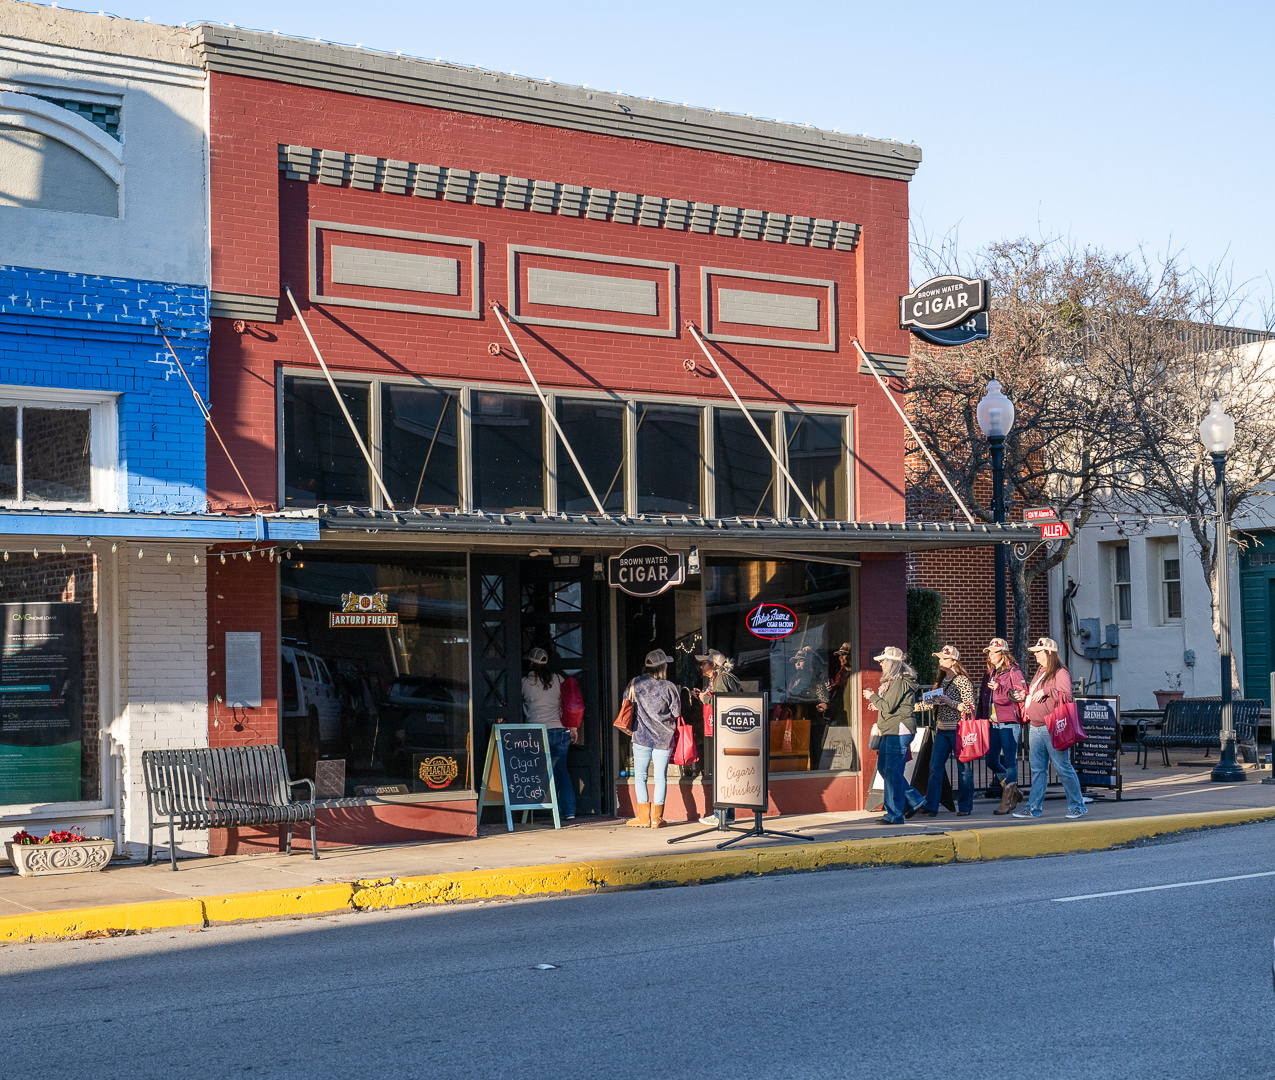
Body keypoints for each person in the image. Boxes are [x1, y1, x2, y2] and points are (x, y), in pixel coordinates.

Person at [1013, 636, 1088, 820]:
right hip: (1036, 726)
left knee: (1062, 767)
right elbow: (1036, 696)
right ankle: (1033, 808)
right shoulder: (1041, 672)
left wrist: (1046, 691)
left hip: (1051, 727)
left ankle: (1078, 806)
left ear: (1048, 652)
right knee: (1038, 770)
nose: (1035, 655)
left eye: (1038, 652)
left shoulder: (1060, 672)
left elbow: (1067, 696)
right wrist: (1025, 697)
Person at [862, 645, 925, 825]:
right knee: (885, 769)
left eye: (883, 661)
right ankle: (913, 799)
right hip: (890, 729)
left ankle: (895, 814)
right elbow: (889, 705)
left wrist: (873, 697)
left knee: (892, 771)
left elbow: (889, 707)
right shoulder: (893, 681)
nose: (881, 664)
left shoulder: (898, 681)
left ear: (891, 663)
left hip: (898, 730)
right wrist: (877, 703)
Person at [626, 647, 683, 829]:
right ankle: (657, 819)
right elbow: (676, 712)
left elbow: (625, 705)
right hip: (663, 738)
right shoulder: (669, 687)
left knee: (640, 776)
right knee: (660, 777)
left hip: (640, 736)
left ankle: (642, 817)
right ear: (663, 666)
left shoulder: (635, 683)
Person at [917, 645, 976, 817]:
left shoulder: (962, 681)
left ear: (953, 662)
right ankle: (931, 806)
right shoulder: (941, 681)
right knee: (935, 767)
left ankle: (965, 806)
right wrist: (910, 708)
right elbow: (929, 703)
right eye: (940, 658)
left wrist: (951, 702)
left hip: (959, 731)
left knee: (963, 769)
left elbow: (970, 707)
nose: (940, 661)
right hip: (942, 730)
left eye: (944, 658)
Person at [521, 647, 576, 820]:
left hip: (534, 732)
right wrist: (573, 728)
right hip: (558, 730)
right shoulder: (558, 679)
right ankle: (568, 812)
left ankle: (534, 811)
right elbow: (570, 704)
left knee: (534, 772)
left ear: (530, 663)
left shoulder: (524, 682)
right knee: (561, 771)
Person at [691, 648, 741, 827]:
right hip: (723, 731)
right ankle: (728, 815)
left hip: (724, 733)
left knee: (721, 773)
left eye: (703, 663)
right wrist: (704, 696)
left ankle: (720, 814)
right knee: (724, 773)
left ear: (713, 664)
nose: (701, 667)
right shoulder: (718, 678)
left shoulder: (721, 678)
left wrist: (705, 698)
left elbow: (724, 702)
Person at [978, 637, 1028, 814]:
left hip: (1009, 722)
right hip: (993, 723)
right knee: (991, 760)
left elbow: (1022, 694)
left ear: (1003, 653)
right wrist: (980, 720)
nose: (990, 655)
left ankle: (1006, 801)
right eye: (989, 652)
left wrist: (1000, 688)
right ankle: (1014, 791)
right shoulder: (991, 672)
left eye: (994, 652)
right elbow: (983, 699)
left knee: (1010, 761)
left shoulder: (1013, 671)